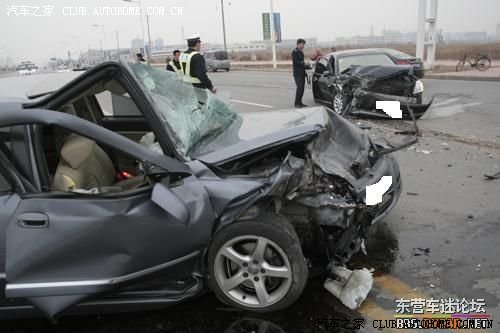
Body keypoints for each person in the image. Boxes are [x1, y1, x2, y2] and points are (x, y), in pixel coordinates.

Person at [180, 34, 216, 99]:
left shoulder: (183, 55)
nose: (200, 45)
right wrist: (211, 87)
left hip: (186, 88)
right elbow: (201, 75)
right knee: (202, 107)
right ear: (197, 43)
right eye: (199, 43)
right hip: (197, 89)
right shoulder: (197, 57)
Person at [292, 38, 311, 108]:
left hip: (302, 73)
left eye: (304, 45)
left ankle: (300, 102)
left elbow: (302, 63)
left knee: (302, 88)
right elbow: (296, 62)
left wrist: (306, 68)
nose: (303, 46)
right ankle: (296, 103)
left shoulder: (301, 52)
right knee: (299, 88)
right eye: (303, 44)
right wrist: (304, 63)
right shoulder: (295, 52)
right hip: (297, 74)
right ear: (299, 44)